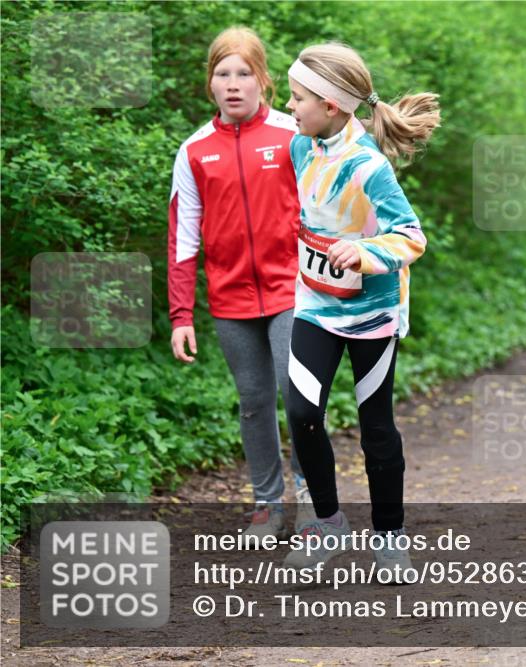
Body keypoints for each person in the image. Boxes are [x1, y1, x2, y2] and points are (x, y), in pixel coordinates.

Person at [280, 42, 439, 581]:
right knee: (302, 413)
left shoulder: (369, 166)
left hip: (373, 312)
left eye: (297, 97)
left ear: (330, 105)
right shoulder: (301, 145)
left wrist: (365, 253)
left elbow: (412, 236)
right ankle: (328, 524)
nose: (289, 105)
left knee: (376, 427)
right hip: (315, 303)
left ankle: (390, 539)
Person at [168, 26, 314, 540]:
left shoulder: (293, 135)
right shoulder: (193, 150)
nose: (233, 84)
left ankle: (314, 501)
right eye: (223, 74)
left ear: (263, 80)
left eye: (244, 73)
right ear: (210, 83)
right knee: (253, 402)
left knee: (298, 397)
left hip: (292, 291)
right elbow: (184, 238)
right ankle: (267, 506)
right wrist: (181, 315)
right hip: (230, 299)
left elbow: (325, 207)